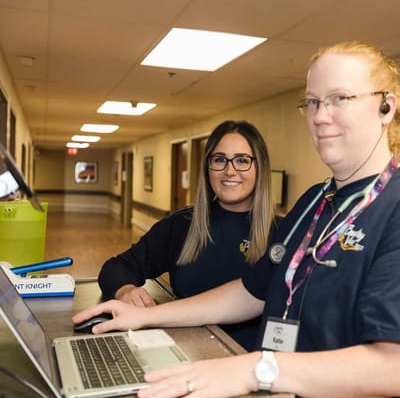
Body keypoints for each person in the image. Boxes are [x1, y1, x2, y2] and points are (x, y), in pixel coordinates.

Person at [74, 41, 400, 398]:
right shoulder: (315, 201)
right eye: (312, 102)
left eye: (339, 98)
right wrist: (145, 316)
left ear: (386, 107)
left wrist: (252, 369)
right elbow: (251, 291)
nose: (320, 116)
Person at [97, 119, 279, 351]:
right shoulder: (182, 225)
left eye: (242, 160)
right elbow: (116, 267)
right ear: (207, 167)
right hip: (184, 354)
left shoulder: (283, 234)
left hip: (249, 365)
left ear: (260, 167)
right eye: (219, 159)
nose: (229, 170)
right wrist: (126, 291)